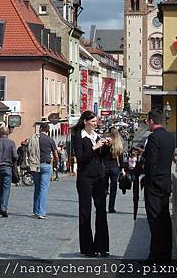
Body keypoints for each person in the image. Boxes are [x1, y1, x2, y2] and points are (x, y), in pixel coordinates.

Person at [72, 110, 111, 257]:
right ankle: (87, 248)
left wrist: (106, 146)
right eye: (93, 121)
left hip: (99, 177)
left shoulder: (96, 136)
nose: (96, 124)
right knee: (85, 212)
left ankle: (102, 246)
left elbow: (102, 157)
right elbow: (81, 158)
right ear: (85, 122)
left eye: (96, 121)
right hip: (85, 178)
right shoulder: (78, 137)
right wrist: (94, 148)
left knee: (101, 211)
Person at [143, 108, 175, 260]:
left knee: (155, 221)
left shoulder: (153, 138)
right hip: (166, 183)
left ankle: (155, 255)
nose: (147, 124)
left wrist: (147, 182)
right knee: (165, 220)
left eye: (147, 121)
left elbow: (151, 164)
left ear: (151, 121)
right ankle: (166, 252)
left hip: (154, 186)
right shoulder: (170, 137)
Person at [28, 123, 58, 219]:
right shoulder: (50, 139)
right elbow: (56, 154)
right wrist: (56, 164)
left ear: (40, 129)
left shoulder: (34, 138)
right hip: (46, 165)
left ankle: (36, 211)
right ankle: (41, 212)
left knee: (37, 188)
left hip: (35, 165)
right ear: (48, 130)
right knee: (43, 188)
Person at [103, 129, 125, 213]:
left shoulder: (107, 142)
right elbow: (121, 158)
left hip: (105, 166)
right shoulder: (118, 144)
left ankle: (103, 206)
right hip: (114, 167)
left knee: (104, 187)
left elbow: (102, 154)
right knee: (113, 188)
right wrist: (122, 169)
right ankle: (111, 207)